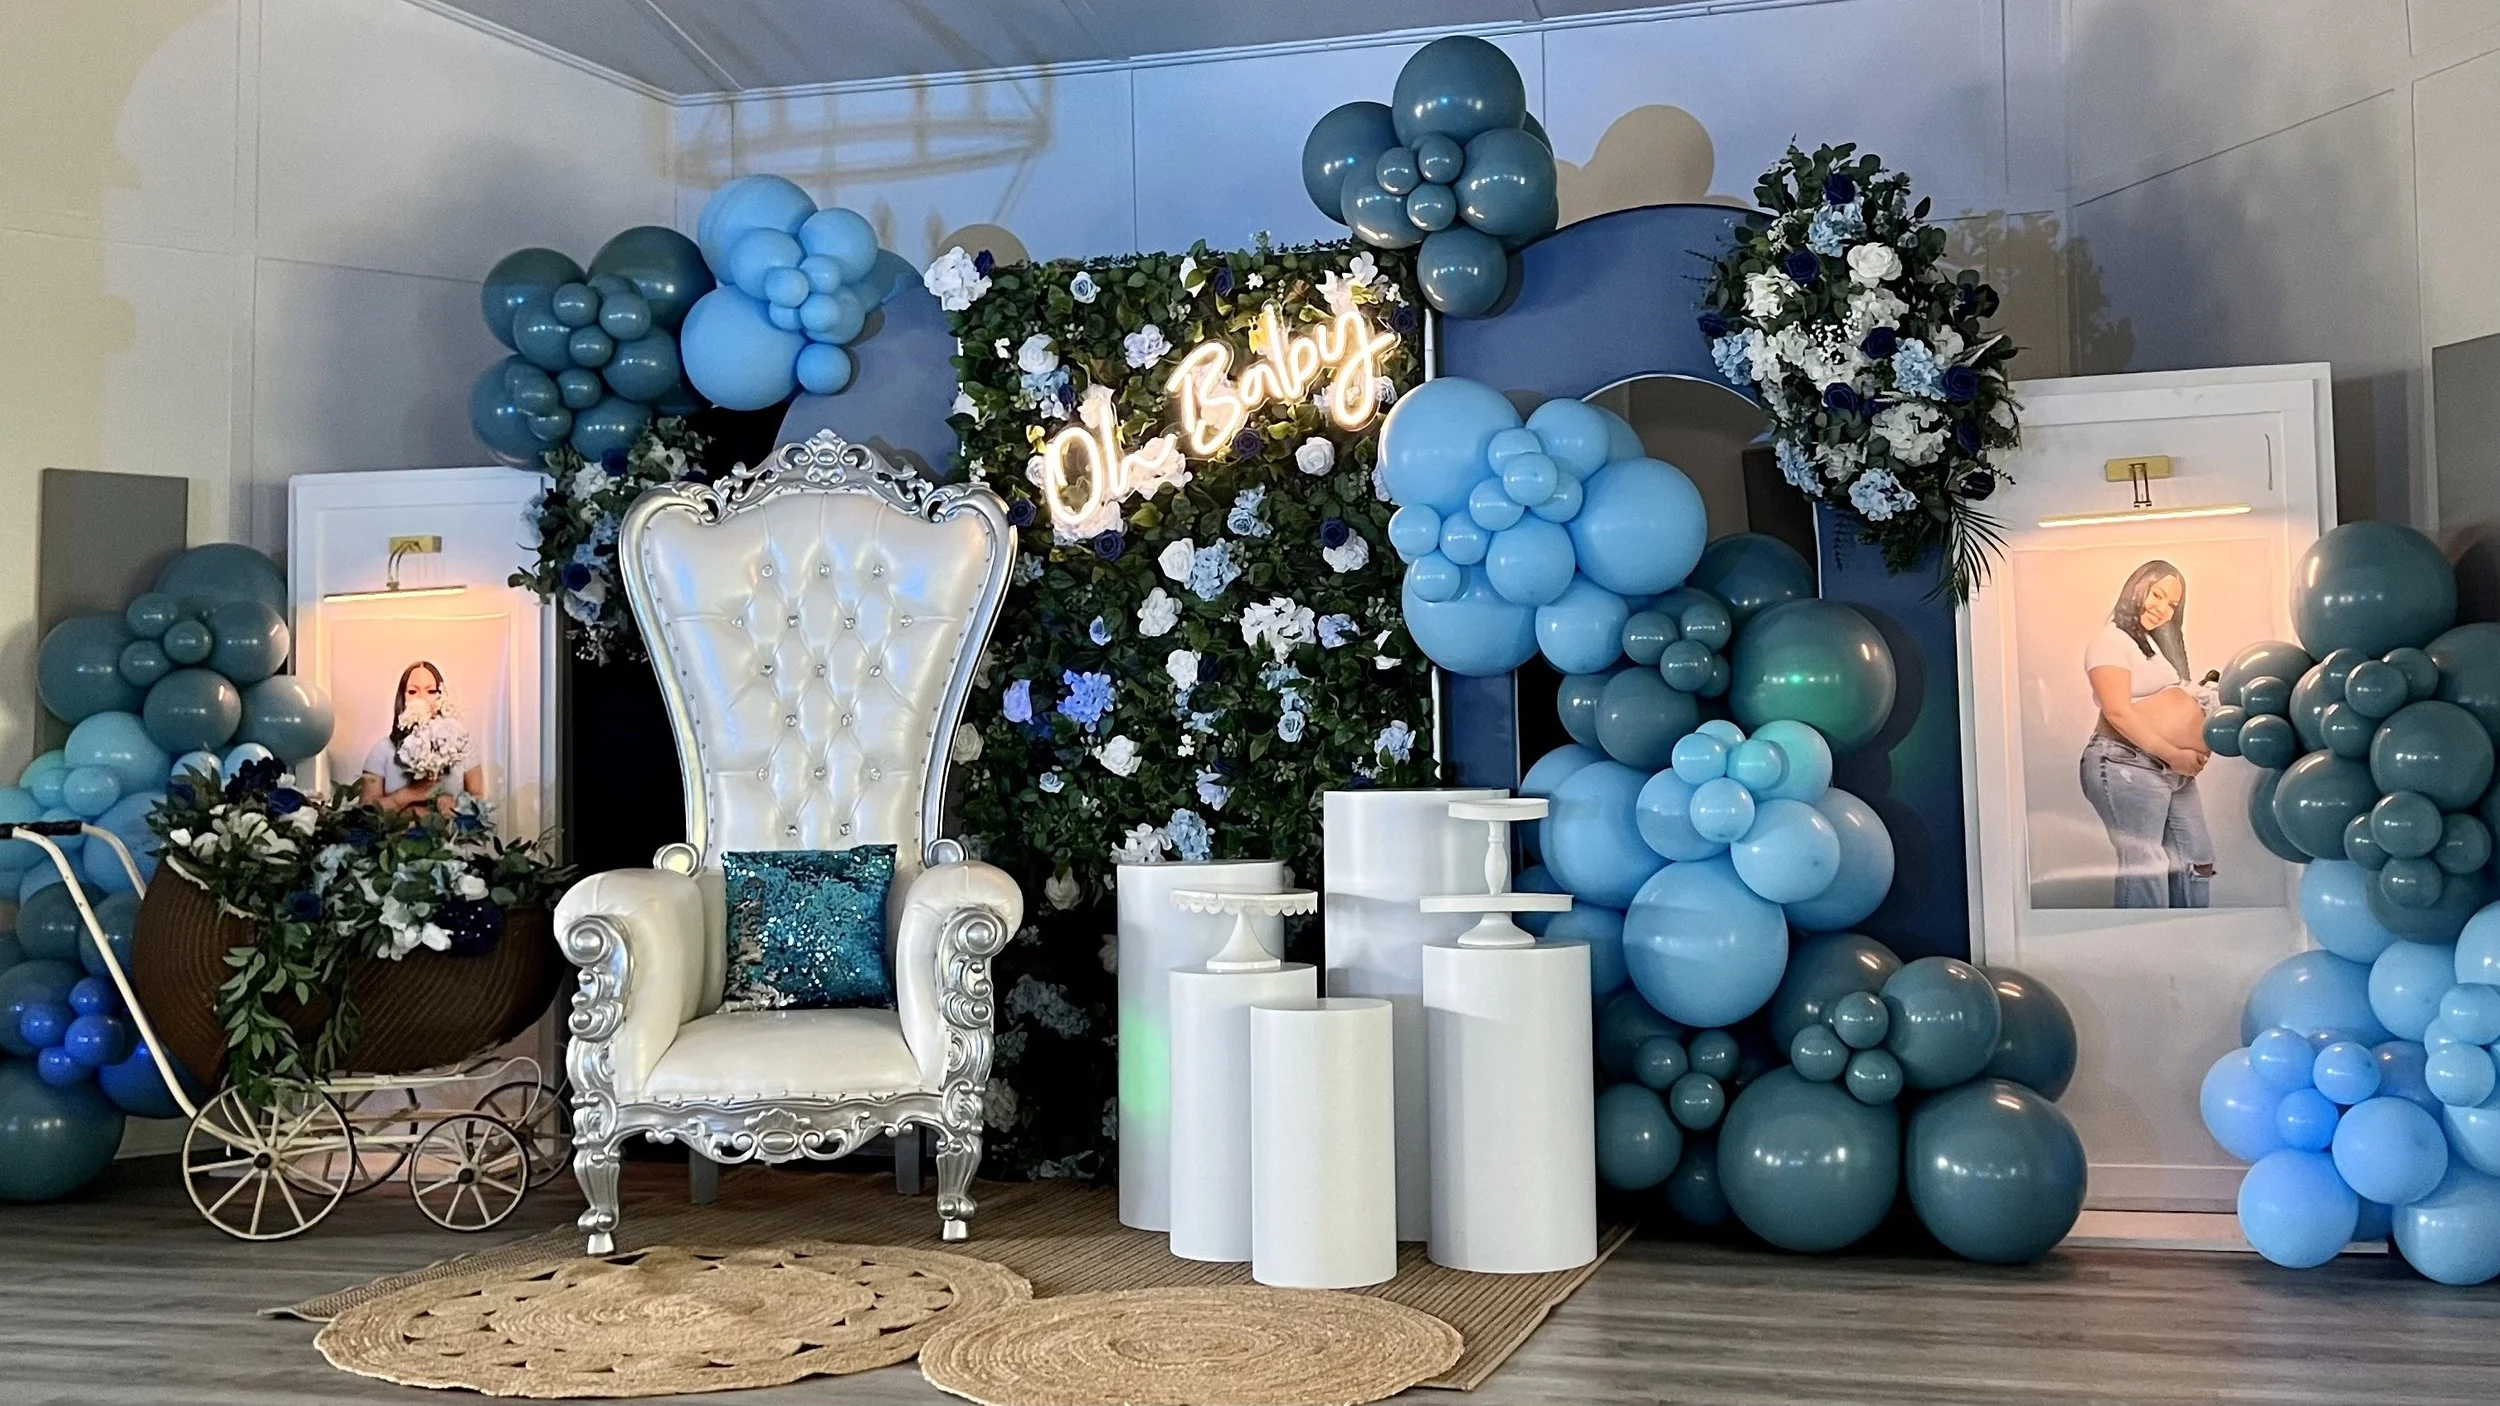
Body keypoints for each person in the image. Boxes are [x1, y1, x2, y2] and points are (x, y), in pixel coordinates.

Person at [2079, 560, 2217, 908]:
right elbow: (2117, 711)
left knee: (2195, 861)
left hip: (2172, 770)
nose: (2162, 609)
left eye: (2172, 604)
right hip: (2127, 762)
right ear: (2136, 587)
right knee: (2147, 866)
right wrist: (2174, 754)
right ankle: (2145, 948)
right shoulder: (2110, 641)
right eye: (2157, 595)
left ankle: (2187, 943)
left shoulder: (2150, 646)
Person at [359, 661, 484, 814]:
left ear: (442, 696)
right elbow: (365, 809)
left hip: (448, 836)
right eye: (412, 692)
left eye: (431, 691)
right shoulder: (383, 749)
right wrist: (407, 795)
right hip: (395, 836)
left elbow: (480, 799)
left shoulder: (462, 746)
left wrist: (457, 807)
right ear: (402, 698)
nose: (422, 698)